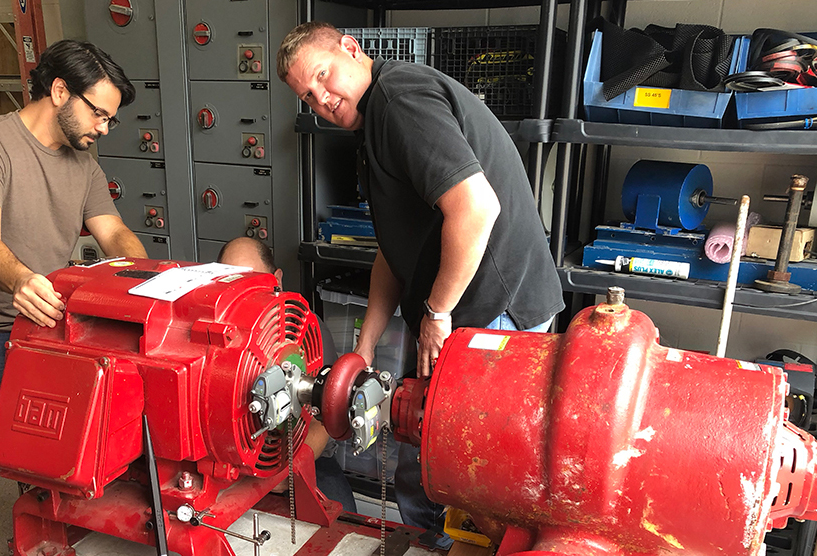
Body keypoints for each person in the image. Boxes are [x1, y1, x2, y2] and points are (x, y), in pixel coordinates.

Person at [277, 22, 564, 532]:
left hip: (495, 311)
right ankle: (428, 541)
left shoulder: (398, 100)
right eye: (308, 95)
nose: (322, 98)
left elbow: (477, 208)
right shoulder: (374, 124)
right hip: (458, 315)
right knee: (421, 449)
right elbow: (397, 247)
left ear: (351, 48)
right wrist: (365, 346)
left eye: (323, 76)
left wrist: (436, 312)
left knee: (477, 474)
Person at [0, 40, 148, 555]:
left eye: (111, 119)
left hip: (44, 328)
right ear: (60, 91)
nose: (104, 128)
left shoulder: (83, 164)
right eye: (100, 114)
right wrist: (21, 280)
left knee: (54, 462)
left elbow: (115, 234)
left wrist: (146, 276)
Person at [218, 237, 357, 514]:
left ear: (277, 279)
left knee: (341, 520)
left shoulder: (305, 330)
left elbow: (324, 417)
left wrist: (288, 468)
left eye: (255, 281)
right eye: (233, 281)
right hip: (231, 462)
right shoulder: (214, 336)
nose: (245, 293)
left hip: (302, 455)